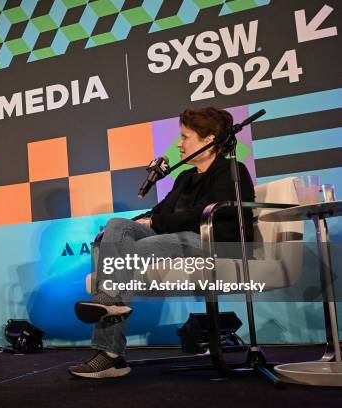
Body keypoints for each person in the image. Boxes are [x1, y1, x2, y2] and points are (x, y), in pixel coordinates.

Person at [68, 107, 255, 379]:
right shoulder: (185, 178)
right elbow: (161, 211)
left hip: (210, 241)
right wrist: (147, 220)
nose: (179, 144)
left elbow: (204, 214)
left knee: (127, 253)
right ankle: (110, 305)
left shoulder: (232, 170)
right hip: (180, 236)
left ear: (209, 139)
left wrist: (158, 222)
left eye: (185, 137)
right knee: (117, 226)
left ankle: (110, 355)